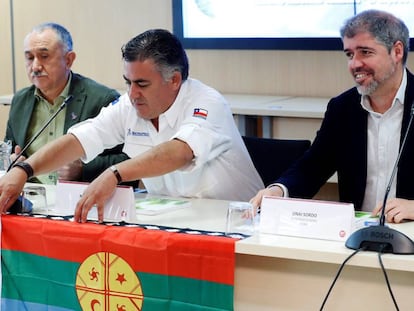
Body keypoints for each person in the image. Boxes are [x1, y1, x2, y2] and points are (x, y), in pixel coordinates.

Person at [0, 28, 264, 222]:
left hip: (238, 226)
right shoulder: (131, 104)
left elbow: (179, 152)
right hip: (173, 224)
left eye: (142, 84)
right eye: (128, 82)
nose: (132, 93)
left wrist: (114, 173)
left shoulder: (207, 102)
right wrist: (24, 169)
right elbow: (79, 139)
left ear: (174, 80)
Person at [250, 10, 414, 224]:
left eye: (365, 52)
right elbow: (313, 166)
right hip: (356, 236)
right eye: (349, 54)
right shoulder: (342, 108)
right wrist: (279, 191)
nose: (354, 64)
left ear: (397, 51)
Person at [5, 22, 131, 184]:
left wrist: (83, 170)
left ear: (69, 59)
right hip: (31, 199)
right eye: (29, 58)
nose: (35, 66)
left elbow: (130, 160)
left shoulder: (101, 99)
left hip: (80, 198)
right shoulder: (21, 101)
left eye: (44, 56)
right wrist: (12, 161)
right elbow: (8, 150)